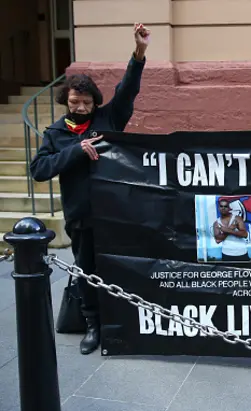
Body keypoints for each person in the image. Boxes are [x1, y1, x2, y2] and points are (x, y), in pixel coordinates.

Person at [30, 23, 151, 355]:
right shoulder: (56, 133)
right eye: (74, 102)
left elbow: (127, 90)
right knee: (87, 272)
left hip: (115, 214)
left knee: (120, 267)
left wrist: (139, 52)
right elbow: (39, 169)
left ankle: (123, 322)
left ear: (94, 101)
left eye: (85, 102)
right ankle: (93, 325)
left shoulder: (108, 118)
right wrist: (75, 150)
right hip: (81, 216)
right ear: (66, 101)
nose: (80, 107)